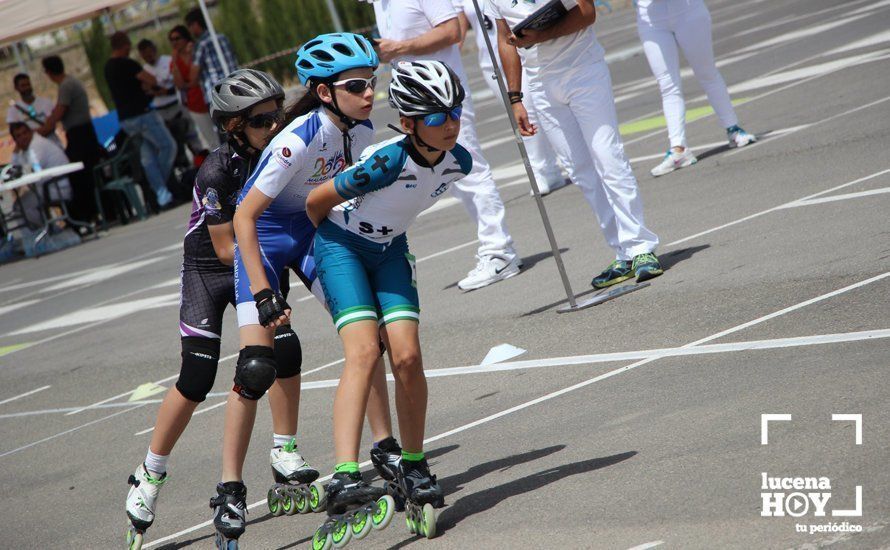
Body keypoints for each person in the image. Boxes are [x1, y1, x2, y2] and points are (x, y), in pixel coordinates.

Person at [212, 34, 395, 545]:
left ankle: (384, 446)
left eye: (371, 82)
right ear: (323, 92)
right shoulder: (297, 138)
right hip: (264, 238)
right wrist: (266, 292)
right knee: (255, 366)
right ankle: (229, 486)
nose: (369, 93)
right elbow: (245, 217)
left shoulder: (361, 131)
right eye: (357, 85)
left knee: (369, 336)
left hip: (312, 230)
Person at [123, 69, 309, 548]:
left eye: (278, 116)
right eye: (263, 120)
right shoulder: (216, 171)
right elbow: (228, 250)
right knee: (197, 378)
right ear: (233, 128)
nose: (275, 126)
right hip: (213, 268)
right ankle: (151, 472)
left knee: (283, 352)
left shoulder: (280, 146)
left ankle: (284, 451)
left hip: (258, 255)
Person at [305, 60, 466, 545]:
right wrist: (332, 254)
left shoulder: (461, 161)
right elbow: (317, 201)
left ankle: (413, 465)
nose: (451, 124)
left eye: (455, 112)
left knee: (408, 355)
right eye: (437, 118)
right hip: (341, 247)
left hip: (390, 249)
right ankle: (345, 473)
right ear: (410, 123)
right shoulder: (385, 161)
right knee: (363, 352)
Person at [489, 0, 664, 288]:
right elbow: (504, 39)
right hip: (541, 84)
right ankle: (622, 252)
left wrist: (541, 35)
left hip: (584, 71)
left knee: (607, 156)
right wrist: (515, 98)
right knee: (580, 169)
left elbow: (587, 11)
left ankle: (641, 247)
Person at [371, 0, 522, 291]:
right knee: (455, 177)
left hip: (443, 97)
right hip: (417, 103)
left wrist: (399, 48)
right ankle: (496, 249)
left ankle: (500, 252)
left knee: (470, 170)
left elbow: (453, 30)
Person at [456, 0, 569, 196]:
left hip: (521, 53)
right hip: (490, 64)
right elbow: (458, 31)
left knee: (529, 110)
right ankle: (550, 168)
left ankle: (541, 170)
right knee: (518, 115)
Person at [637, 0, 756, 177]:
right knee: (667, 85)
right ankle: (679, 148)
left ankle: (733, 129)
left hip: (686, 11)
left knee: (706, 72)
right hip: (650, 19)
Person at [104, 31, 177, 209]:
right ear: (125, 45)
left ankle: (162, 195)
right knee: (168, 146)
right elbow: (151, 79)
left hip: (125, 118)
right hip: (142, 113)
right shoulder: (129, 64)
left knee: (148, 157)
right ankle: (160, 184)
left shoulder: (107, 67)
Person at [40, 55, 103, 224]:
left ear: (48, 72)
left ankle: (84, 215)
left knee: (77, 175)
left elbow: (59, 112)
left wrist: (44, 129)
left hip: (80, 134)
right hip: (82, 133)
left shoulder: (66, 86)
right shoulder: (71, 82)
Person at [137, 38, 207, 162]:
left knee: (191, 137)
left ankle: (201, 160)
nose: (148, 57)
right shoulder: (144, 70)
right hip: (160, 111)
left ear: (154, 50)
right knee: (174, 144)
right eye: (144, 56)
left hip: (176, 105)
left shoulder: (168, 61)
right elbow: (146, 89)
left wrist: (165, 91)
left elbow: (178, 82)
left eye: (149, 53)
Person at [9, 121, 72, 227]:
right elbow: (16, 169)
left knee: (21, 207)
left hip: (57, 188)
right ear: (15, 140)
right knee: (20, 204)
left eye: (25, 133)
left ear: (31, 132)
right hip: (48, 187)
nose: (23, 137)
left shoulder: (36, 145)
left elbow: (31, 170)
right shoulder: (27, 149)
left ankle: (51, 233)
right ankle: (50, 230)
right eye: (18, 136)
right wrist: (16, 151)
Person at [168, 24, 219, 150]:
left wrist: (189, 83)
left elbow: (194, 78)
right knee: (212, 140)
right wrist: (174, 62)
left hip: (209, 96)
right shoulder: (175, 61)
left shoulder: (197, 50)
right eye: (171, 40)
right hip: (194, 104)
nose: (174, 42)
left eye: (177, 38)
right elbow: (180, 84)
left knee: (224, 131)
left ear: (185, 38)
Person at [185, 8, 238, 108]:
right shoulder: (222, 37)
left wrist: (189, 54)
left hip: (216, 94)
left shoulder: (201, 44)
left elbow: (193, 76)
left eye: (189, 26)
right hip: (235, 87)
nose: (190, 30)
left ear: (195, 24)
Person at [6, 73, 63, 148]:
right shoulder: (12, 111)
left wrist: (28, 135)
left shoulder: (46, 102)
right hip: (32, 151)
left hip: (54, 146)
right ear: (16, 88)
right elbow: (15, 134)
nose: (27, 88)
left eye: (28, 84)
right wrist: (43, 130)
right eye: (23, 85)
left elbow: (51, 126)